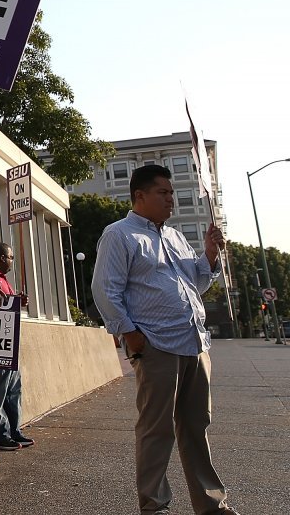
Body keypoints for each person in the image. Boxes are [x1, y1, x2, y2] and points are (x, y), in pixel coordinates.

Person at [91, 165, 237, 515]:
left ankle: (211, 506)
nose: (171, 199)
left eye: (172, 192)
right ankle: (154, 506)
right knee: (156, 429)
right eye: (163, 193)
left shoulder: (173, 237)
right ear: (139, 196)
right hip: (156, 344)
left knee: (196, 426)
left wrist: (210, 255)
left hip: (194, 343)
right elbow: (105, 289)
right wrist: (131, 334)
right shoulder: (120, 234)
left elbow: (195, 285)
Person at [0, 241, 34, 451]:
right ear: (2, 258)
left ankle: (14, 429)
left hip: (10, 342)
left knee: (14, 390)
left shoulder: (3, 280)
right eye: (11, 257)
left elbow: (5, 305)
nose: (12, 261)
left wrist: (17, 301)